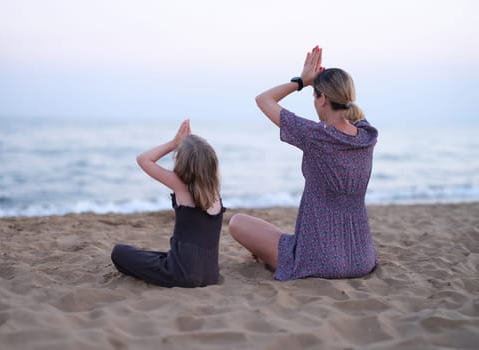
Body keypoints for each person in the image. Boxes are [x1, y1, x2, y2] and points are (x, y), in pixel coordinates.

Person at [229, 46, 379, 281]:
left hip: (318, 258)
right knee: (284, 240)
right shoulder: (367, 136)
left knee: (238, 223)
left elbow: (263, 100)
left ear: (323, 99)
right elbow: (353, 112)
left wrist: (302, 80)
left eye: (314, 95)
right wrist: (321, 85)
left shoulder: (315, 136)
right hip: (362, 259)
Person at [111, 119, 225, 287]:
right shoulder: (214, 191)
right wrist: (188, 143)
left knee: (119, 252)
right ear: (211, 163)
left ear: (182, 163)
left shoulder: (181, 187)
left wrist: (174, 143)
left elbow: (144, 159)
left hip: (181, 273)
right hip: (210, 275)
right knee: (159, 256)